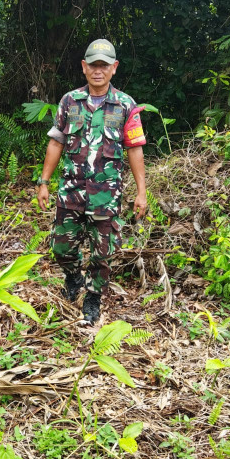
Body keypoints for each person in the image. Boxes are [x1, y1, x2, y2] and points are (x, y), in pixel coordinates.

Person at [36, 38, 147, 324]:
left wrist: (141, 192)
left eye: (104, 66)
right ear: (84, 67)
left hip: (105, 194)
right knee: (61, 246)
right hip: (71, 190)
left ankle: (94, 296)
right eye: (93, 65)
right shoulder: (69, 101)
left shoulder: (125, 105)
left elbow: (135, 148)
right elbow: (56, 142)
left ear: (114, 68)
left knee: (103, 251)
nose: (98, 71)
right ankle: (73, 277)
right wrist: (44, 181)